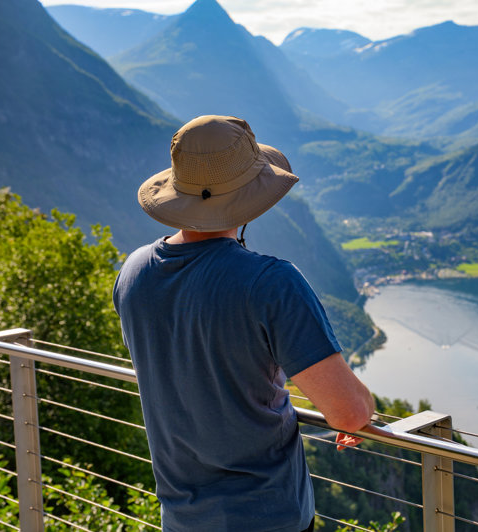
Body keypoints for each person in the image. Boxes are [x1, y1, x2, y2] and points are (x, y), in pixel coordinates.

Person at [113, 115, 375, 532]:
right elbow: (348, 412)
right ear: (249, 198)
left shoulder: (134, 271)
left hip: (181, 517)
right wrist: (361, 410)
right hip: (267, 516)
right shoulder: (271, 283)